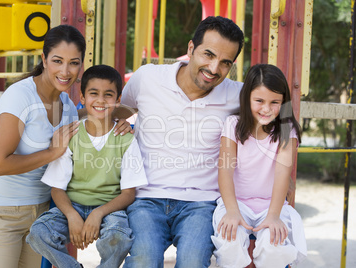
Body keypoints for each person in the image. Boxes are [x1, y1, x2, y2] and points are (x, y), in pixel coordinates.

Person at [0, 25, 131, 268]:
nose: (65, 71)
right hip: (2, 213)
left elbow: (98, 109)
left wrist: (122, 123)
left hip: (42, 215)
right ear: (44, 59)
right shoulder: (20, 97)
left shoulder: (66, 105)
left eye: (73, 63)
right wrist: (51, 153)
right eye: (58, 61)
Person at [120, 16, 244, 267]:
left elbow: (278, 116)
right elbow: (115, 112)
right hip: (146, 197)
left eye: (224, 62)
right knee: (144, 258)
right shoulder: (148, 78)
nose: (213, 68)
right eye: (207, 55)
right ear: (190, 49)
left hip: (201, 203)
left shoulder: (237, 95)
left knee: (193, 261)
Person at [26, 65, 148, 268]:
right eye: (94, 94)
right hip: (71, 205)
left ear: (118, 100)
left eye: (108, 95)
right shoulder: (72, 136)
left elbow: (128, 194)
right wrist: (72, 215)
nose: (100, 100)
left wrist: (98, 213)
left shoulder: (125, 139)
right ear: (82, 98)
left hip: (109, 209)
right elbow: (57, 188)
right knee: (38, 233)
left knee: (119, 238)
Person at [211, 64, 307, 268]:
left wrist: (273, 215)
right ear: (247, 99)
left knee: (274, 247)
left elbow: (283, 173)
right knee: (230, 244)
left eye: (275, 102)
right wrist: (232, 210)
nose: (266, 108)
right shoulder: (233, 125)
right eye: (259, 101)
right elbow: (225, 170)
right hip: (235, 202)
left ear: (284, 102)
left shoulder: (286, 130)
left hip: (271, 205)